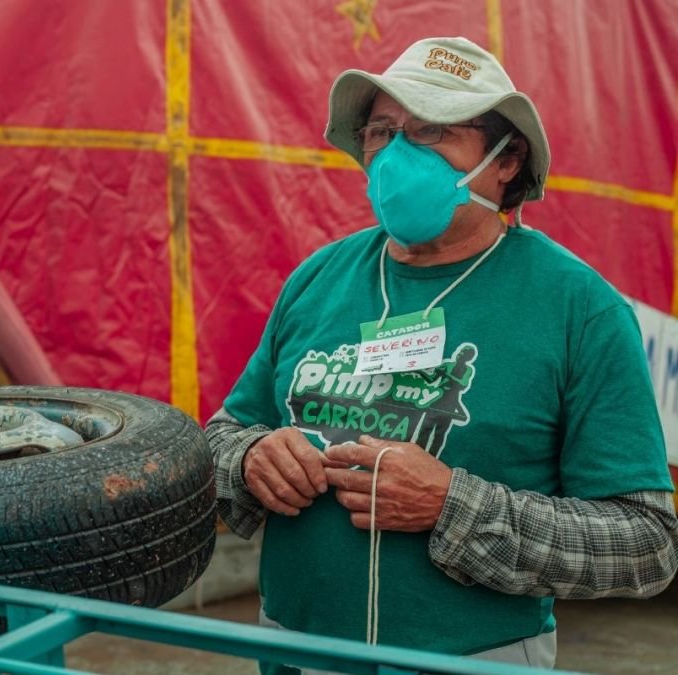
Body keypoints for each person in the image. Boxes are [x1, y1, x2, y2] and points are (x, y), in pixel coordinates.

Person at [207, 36, 677, 670]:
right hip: (294, 652)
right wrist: (249, 458)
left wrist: (453, 506)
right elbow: (221, 438)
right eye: (382, 131)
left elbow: (644, 545)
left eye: (431, 132)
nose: (400, 154)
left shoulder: (578, 310)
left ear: (506, 159)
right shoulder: (319, 279)